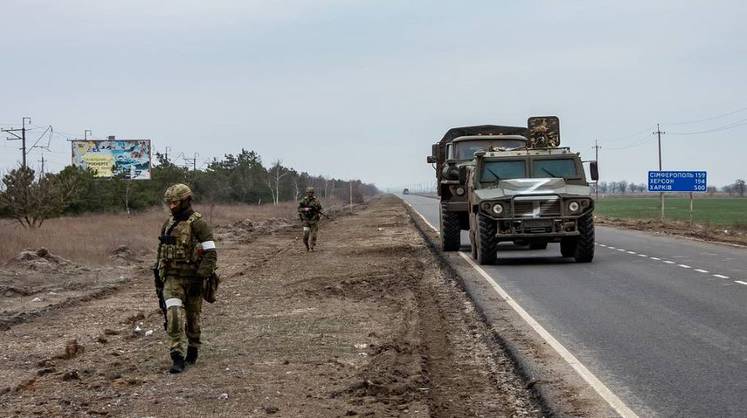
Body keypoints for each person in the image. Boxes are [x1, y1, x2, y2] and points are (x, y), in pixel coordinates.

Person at [155, 184, 218, 373]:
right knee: (173, 315)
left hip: (193, 279)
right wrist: (159, 276)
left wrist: (201, 277)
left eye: (175, 202)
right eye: (169, 203)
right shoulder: (168, 224)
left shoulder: (198, 223)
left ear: (185, 201)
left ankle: (193, 347)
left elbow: (211, 253)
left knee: (193, 319)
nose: (171, 206)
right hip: (172, 279)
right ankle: (176, 355)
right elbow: (161, 252)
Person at [298, 186, 323, 251]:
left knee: (314, 235)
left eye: (311, 193)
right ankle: (307, 246)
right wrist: (305, 209)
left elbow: (320, 208)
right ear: (307, 193)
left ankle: (312, 246)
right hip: (306, 220)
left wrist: (318, 212)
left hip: (314, 220)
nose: (310, 194)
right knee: (306, 235)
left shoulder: (316, 200)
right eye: (309, 192)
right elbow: (299, 209)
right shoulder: (303, 200)